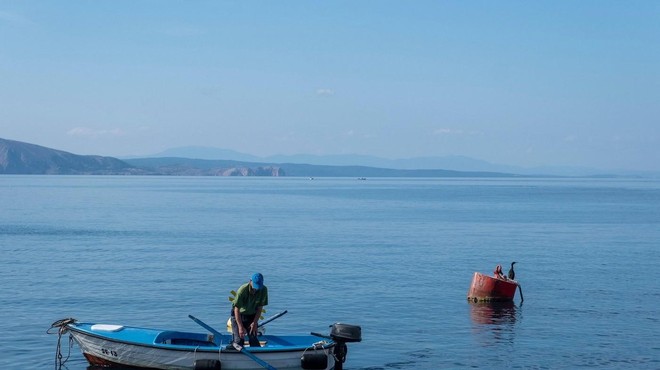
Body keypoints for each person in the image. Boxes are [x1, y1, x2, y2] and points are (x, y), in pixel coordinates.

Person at [229, 272, 268, 349]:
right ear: (250, 281)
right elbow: (236, 309)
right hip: (239, 315)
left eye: (258, 287)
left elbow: (260, 308)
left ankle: (257, 353)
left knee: (253, 338)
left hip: (251, 315)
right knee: (239, 340)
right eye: (255, 286)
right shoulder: (242, 290)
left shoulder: (263, 290)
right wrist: (240, 327)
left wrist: (255, 322)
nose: (256, 289)